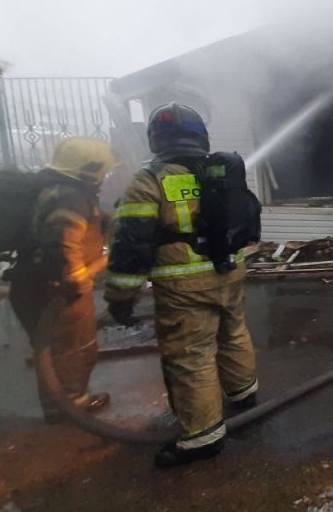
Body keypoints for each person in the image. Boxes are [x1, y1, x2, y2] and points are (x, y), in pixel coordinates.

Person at [105, 103, 258, 468]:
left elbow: (131, 244)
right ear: (200, 136)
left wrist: (121, 296)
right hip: (230, 271)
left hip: (184, 283)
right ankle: (243, 394)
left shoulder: (149, 180)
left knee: (191, 356)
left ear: (156, 139)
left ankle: (202, 438)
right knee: (233, 332)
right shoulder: (219, 169)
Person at [8, 137, 117, 422]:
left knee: (61, 348)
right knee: (71, 348)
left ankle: (64, 403)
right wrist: (76, 279)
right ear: (87, 170)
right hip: (58, 290)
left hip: (41, 285)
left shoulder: (59, 190)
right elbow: (62, 242)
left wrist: (105, 220)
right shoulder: (68, 196)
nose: (104, 178)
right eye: (102, 171)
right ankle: (68, 409)